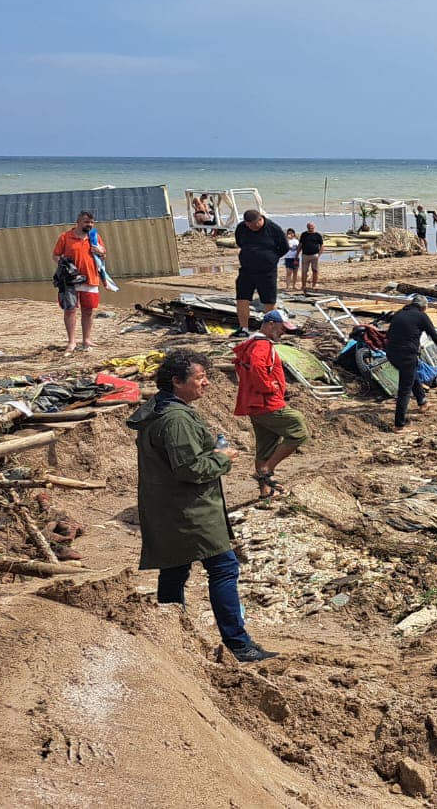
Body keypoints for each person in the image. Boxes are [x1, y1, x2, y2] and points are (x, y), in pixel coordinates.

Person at [129, 348, 276, 663]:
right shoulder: (177, 418)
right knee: (223, 567)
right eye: (200, 378)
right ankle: (240, 645)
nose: (206, 383)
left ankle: (171, 636)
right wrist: (221, 459)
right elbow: (191, 469)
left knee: (174, 570)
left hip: (167, 508)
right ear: (177, 381)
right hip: (190, 510)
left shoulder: (159, 409)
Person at [231, 310, 308, 499]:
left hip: (255, 403)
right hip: (267, 402)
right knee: (298, 429)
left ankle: (265, 491)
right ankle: (267, 470)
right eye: (282, 328)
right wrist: (268, 386)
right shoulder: (262, 345)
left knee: (265, 446)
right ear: (271, 324)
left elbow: (245, 367)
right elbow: (257, 367)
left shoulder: (252, 343)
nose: (283, 332)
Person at [387, 295, 437, 432]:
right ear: (423, 307)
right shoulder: (421, 316)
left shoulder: (399, 314)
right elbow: (434, 336)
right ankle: (399, 425)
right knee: (404, 389)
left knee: (411, 375)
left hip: (392, 354)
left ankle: (423, 402)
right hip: (407, 356)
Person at [52, 211, 106, 354]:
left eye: (91, 222)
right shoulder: (65, 237)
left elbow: (103, 254)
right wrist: (64, 266)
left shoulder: (95, 237)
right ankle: (71, 342)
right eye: (86, 222)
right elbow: (56, 255)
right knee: (70, 310)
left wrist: (99, 251)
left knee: (88, 311)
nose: (89, 225)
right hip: (70, 281)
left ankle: (86, 340)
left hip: (91, 278)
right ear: (78, 222)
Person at [232, 209, 287, 337]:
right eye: (248, 225)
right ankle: (243, 328)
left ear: (260, 219)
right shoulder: (242, 228)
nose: (250, 227)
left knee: (269, 301)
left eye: (253, 225)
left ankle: (270, 330)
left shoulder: (273, 229)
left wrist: (271, 258)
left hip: (267, 271)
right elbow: (239, 242)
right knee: (242, 298)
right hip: (247, 269)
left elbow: (284, 247)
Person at [297, 222, 324, 293]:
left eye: (311, 227)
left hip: (314, 255)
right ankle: (303, 285)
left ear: (314, 227)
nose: (310, 228)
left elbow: (322, 245)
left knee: (315, 270)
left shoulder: (317, 235)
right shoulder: (304, 234)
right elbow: (300, 245)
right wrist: (297, 254)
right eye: (309, 227)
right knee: (304, 271)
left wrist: (319, 254)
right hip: (305, 255)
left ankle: (314, 285)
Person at [282, 228, 300, 292]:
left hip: (295, 258)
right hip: (288, 258)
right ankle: (287, 286)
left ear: (294, 234)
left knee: (295, 272)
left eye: (291, 233)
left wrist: (297, 256)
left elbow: (298, 249)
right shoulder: (286, 241)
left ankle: (294, 286)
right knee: (288, 272)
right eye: (289, 233)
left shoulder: (296, 241)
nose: (290, 234)